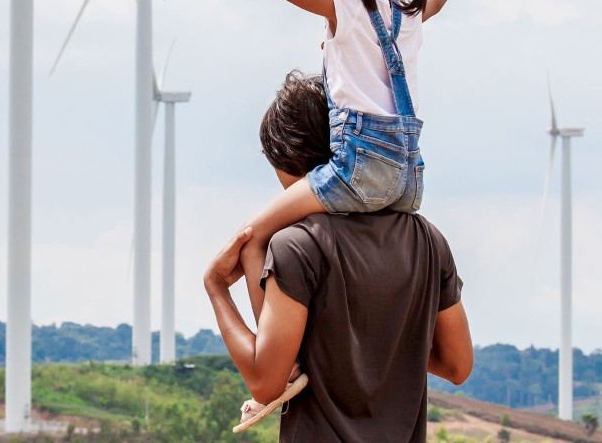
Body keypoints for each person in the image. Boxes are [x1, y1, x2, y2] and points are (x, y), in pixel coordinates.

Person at [181, 0, 469, 322]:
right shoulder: (407, 15)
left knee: (252, 240)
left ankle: (279, 355)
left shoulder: (345, 7)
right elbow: (436, 2)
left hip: (356, 170)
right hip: (407, 180)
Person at [203, 70, 474, 440]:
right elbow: (457, 365)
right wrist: (378, 346)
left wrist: (217, 287)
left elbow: (266, 383)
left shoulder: (297, 246)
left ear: (287, 158)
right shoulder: (428, 241)